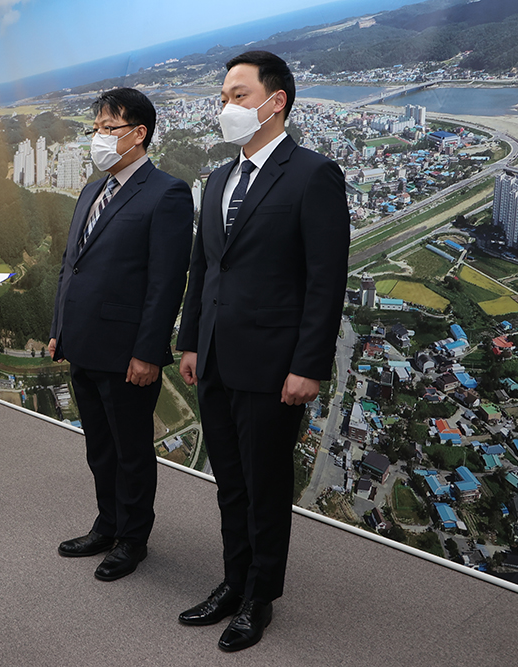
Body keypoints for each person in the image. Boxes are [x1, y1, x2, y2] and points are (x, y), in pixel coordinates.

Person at [176, 51, 349, 652]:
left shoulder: (311, 173)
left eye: (240, 96)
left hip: (275, 364)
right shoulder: (220, 178)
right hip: (217, 358)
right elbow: (205, 267)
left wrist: (310, 365)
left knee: (265, 484)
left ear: (276, 102)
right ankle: (232, 580)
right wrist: (191, 339)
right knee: (229, 481)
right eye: (223, 97)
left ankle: (259, 597)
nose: (227, 107)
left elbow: (326, 281)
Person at [48, 88, 193, 582]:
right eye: (96, 129)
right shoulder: (92, 189)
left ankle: (133, 538)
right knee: (99, 447)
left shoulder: (167, 193)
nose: (99, 138)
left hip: (128, 351)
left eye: (109, 129)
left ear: (139, 134)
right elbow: (72, 265)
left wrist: (149, 351)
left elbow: (166, 282)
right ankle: (106, 524)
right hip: (83, 343)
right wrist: (58, 329)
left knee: (131, 452)